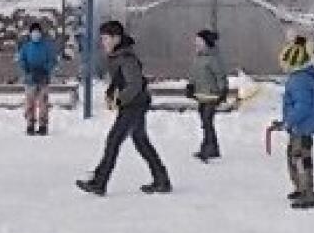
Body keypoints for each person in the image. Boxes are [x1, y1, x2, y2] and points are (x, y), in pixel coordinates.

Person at [76, 20, 172, 196]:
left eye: (106, 38)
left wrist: (120, 100)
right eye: (102, 38)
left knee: (114, 141)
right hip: (134, 104)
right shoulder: (118, 56)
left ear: (116, 38)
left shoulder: (127, 58)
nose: (103, 42)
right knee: (141, 142)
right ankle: (162, 179)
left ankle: (99, 182)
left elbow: (134, 84)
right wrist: (111, 92)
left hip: (134, 105)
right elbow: (119, 80)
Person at [271, 36, 314, 209]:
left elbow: (302, 107)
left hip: (301, 127)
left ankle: (308, 193)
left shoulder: (298, 81)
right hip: (300, 127)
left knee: (301, 160)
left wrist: (288, 122)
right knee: (295, 157)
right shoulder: (302, 78)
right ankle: (300, 188)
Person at [186, 29, 229, 161]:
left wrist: (223, 90)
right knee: (205, 123)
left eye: (199, 41)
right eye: (196, 41)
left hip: (212, 95)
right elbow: (194, 74)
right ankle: (213, 148)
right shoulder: (198, 58)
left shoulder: (213, 59)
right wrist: (190, 85)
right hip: (201, 95)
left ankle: (208, 148)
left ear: (206, 42)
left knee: (207, 121)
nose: (196, 43)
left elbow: (220, 75)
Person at [16, 21, 60, 137]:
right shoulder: (26, 46)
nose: (36, 34)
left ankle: (43, 126)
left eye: (37, 32)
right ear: (30, 33)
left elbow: (53, 60)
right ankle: (30, 125)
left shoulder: (47, 46)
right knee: (29, 103)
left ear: (40, 33)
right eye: (33, 32)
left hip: (43, 78)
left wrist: (45, 69)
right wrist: (28, 70)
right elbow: (21, 60)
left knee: (43, 103)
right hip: (30, 79)